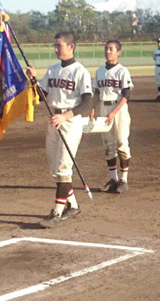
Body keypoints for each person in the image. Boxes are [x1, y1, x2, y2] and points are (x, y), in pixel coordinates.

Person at [25, 31, 92, 228]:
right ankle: (72, 206)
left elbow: (87, 103)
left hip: (69, 121)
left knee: (63, 168)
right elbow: (42, 95)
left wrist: (65, 116)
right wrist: (33, 80)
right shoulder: (53, 70)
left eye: (59, 45)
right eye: (54, 45)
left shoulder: (81, 71)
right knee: (55, 169)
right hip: (54, 119)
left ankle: (56, 211)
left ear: (71, 47)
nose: (55, 49)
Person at [93, 40, 133, 193]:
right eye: (106, 49)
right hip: (104, 107)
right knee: (108, 145)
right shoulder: (100, 71)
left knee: (122, 143)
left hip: (119, 109)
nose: (107, 51)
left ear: (119, 52)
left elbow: (126, 94)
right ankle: (113, 179)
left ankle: (124, 180)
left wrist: (114, 112)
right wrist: (93, 108)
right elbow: (97, 92)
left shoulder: (122, 71)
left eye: (111, 49)